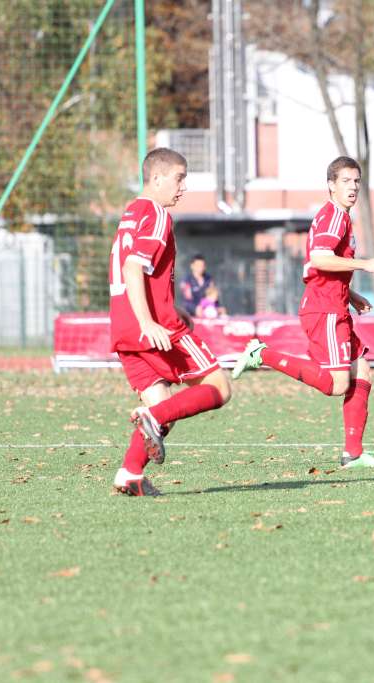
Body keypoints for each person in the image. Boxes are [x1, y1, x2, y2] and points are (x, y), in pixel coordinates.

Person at [232, 156, 374, 469]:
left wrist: (352, 294)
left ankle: (353, 454)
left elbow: (324, 266)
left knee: (362, 372)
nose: (353, 187)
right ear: (331, 185)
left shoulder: (341, 217)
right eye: (346, 181)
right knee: (337, 384)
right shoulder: (333, 216)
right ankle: (263, 355)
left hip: (335, 305)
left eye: (356, 181)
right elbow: (319, 258)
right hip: (324, 310)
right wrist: (364, 264)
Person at [109, 148, 233, 495]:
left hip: (123, 328)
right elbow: (133, 268)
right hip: (154, 328)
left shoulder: (131, 213)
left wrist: (171, 306)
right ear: (157, 178)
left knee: (164, 406)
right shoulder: (158, 215)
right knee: (219, 387)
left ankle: (130, 473)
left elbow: (142, 273)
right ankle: (150, 422)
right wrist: (151, 321)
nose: (184, 186)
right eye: (179, 178)